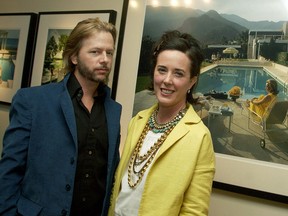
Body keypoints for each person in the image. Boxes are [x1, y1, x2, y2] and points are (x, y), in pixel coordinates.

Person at [0, 17, 122, 216]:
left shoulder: (114, 109)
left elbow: (108, 175)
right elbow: (9, 173)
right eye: (95, 52)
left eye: (109, 52)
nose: (105, 59)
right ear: (74, 58)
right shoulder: (32, 101)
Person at [108, 30, 215, 216]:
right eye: (162, 70)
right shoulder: (138, 120)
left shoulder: (199, 137)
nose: (167, 80)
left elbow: (194, 211)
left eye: (178, 74)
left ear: (192, 81)